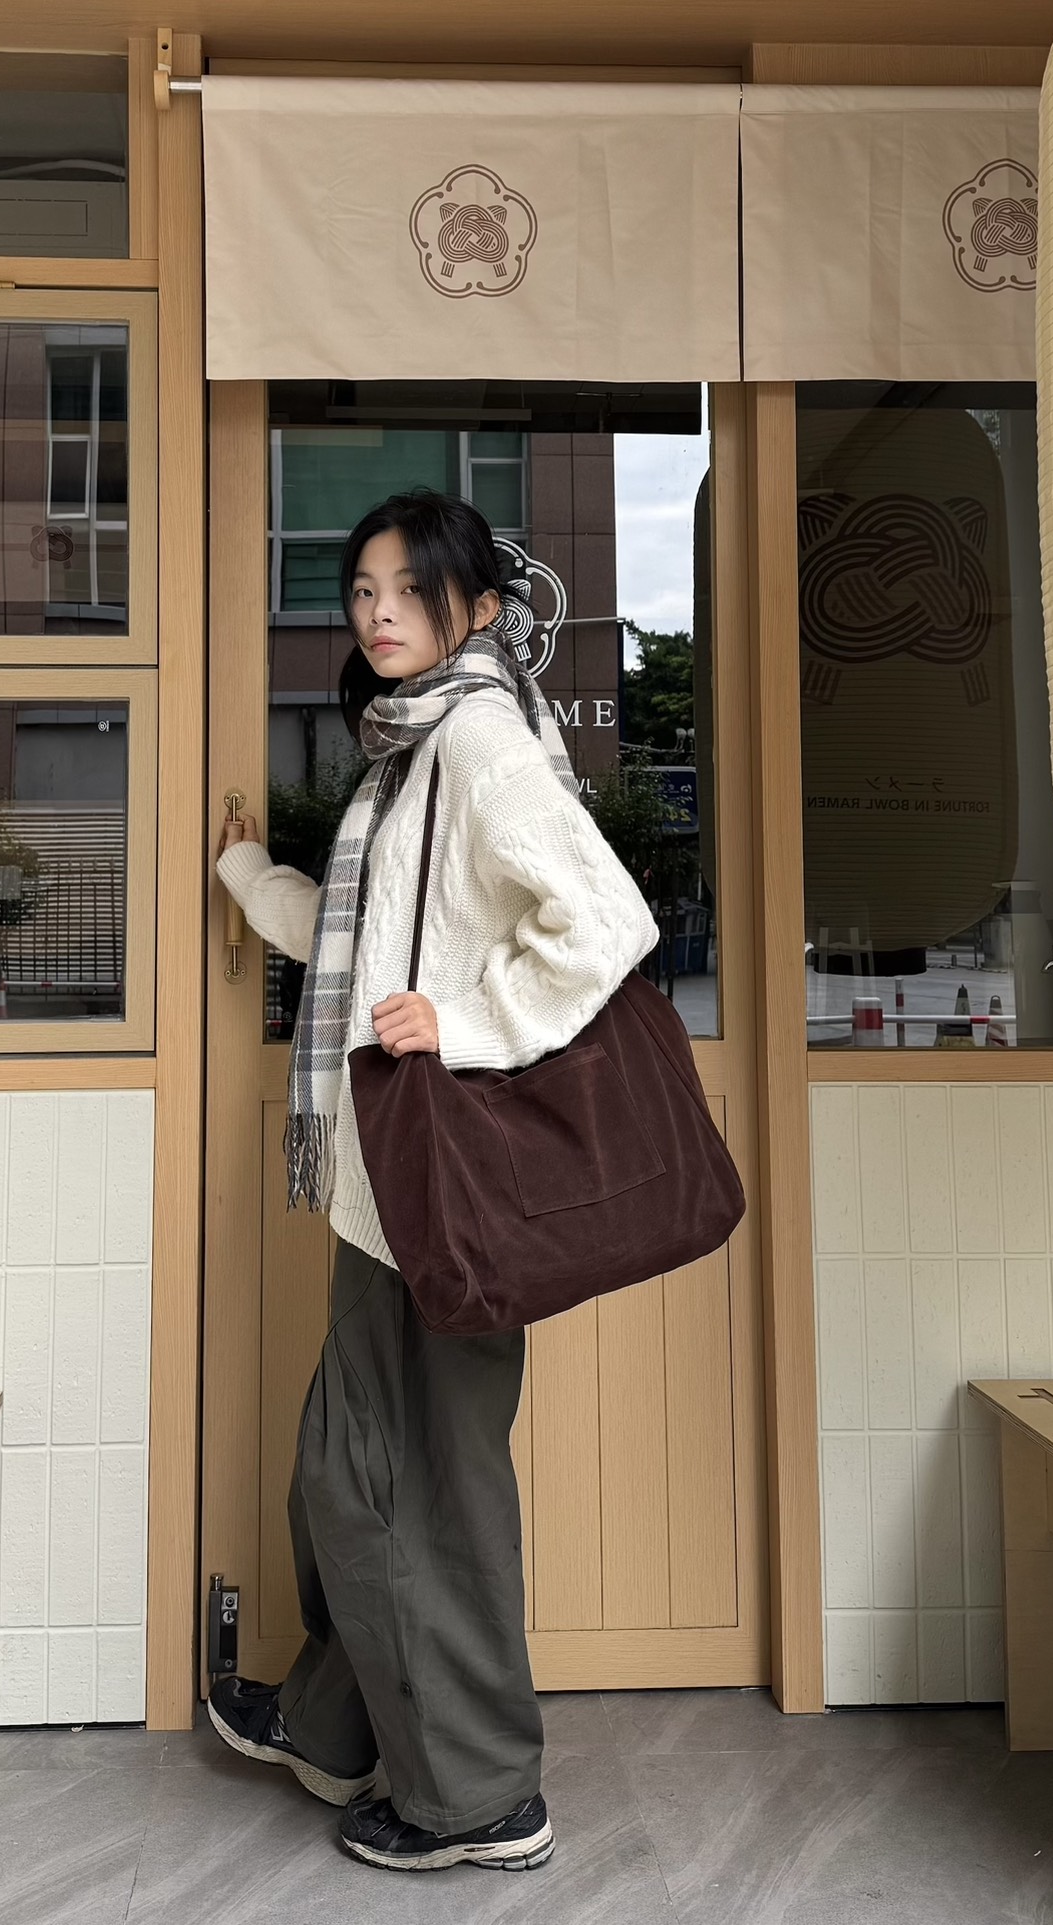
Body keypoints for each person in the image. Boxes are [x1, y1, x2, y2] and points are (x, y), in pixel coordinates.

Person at [211, 488, 657, 1873]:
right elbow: (366, 941)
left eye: (409, 589)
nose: (379, 612)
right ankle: (340, 1725)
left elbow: (607, 922)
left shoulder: (477, 739)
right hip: (391, 1189)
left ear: (477, 608)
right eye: (361, 591)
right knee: (366, 1472)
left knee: (406, 1485)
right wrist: (247, 876)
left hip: (437, 1188)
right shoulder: (412, 752)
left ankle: (478, 1797)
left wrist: (461, 1023)